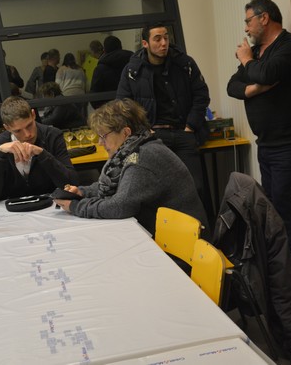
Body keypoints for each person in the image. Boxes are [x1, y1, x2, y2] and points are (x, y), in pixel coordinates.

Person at [227, 0, 291, 274]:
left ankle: (288, 263)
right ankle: (279, 258)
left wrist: (247, 61)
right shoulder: (258, 51)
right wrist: (253, 88)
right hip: (267, 139)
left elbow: (266, 73)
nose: (246, 28)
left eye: (248, 21)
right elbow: (233, 85)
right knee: (271, 200)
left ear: (264, 18)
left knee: (281, 198)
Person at [53, 99, 207, 238]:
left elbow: (119, 207)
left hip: (182, 243)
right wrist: (82, 192)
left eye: (103, 136)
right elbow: (122, 186)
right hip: (168, 233)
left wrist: (75, 206)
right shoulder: (138, 148)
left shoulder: (142, 157)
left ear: (126, 132)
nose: (100, 142)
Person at [116, 22, 210, 204]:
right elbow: (123, 105)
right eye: (157, 39)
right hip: (152, 136)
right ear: (145, 43)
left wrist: (190, 126)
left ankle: (199, 223)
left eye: (166, 38)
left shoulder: (184, 64)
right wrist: (143, 130)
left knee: (195, 187)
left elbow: (201, 95)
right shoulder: (132, 70)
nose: (164, 43)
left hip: (183, 132)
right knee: (159, 191)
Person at [0, 96, 78, 203]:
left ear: (33, 115)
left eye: (29, 125)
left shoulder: (52, 136)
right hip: (13, 206)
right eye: (18, 131)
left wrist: (43, 154)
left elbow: (72, 184)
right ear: (7, 128)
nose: (27, 134)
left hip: (50, 203)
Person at [90, 35, 133, 109]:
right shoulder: (132, 63)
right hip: (130, 108)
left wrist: (102, 110)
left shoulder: (100, 69)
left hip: (109, 110)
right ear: (120, 47)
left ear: (105, 50)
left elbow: (94, 96)